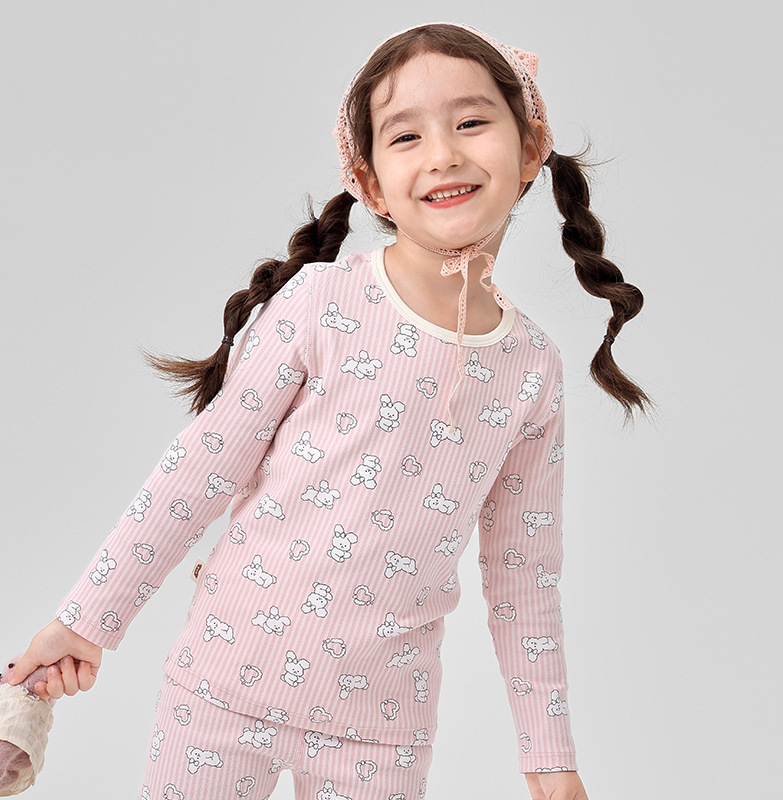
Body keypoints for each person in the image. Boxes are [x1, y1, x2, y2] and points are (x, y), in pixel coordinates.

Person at [9, 21, 649, 800]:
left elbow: (525, 579)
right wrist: (86, 619)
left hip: (381, 733)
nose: (443, 154)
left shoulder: (532, 369)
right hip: (218, 692)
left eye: (471, 122)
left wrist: (549, 759)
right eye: (406, 135)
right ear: (369, 182)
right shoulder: (321, 302)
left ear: (530, 148)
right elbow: (199, 471)